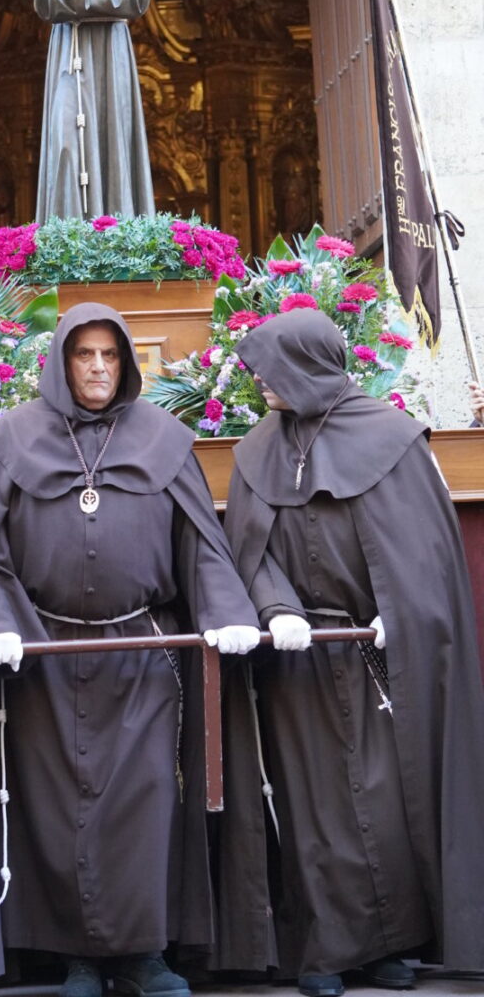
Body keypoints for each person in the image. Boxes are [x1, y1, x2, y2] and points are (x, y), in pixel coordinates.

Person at [0, 302, 269, 996]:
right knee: (56, 809)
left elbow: (202, 546)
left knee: (143, 806)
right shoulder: (14, 439)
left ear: (127, 363)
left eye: (110, 356)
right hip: (44, 653)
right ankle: (76, 958)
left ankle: (142, 955)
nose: (98, 369)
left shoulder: (165, 439)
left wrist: (229, 610)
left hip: (142, 653)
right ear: (61, 361)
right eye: (84, 355)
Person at [222, 308, 484, 997]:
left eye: (270, 371)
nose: (261, 385)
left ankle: (391, 944)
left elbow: (417, 549)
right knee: (314, 809)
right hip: (298, 658)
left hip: (375, 655)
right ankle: (327, 952)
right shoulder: (255, 449)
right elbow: (247, 551)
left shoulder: (391, 438)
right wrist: (277, 610)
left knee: (387, 798)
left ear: (306, 364)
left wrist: (399, 610)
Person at [32, 0, 155, 222]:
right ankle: (67, 237)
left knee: (113, 135)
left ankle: (115, 230)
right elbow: (49, 1)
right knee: (66, 139)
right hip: (67, 55)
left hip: (111, 56)